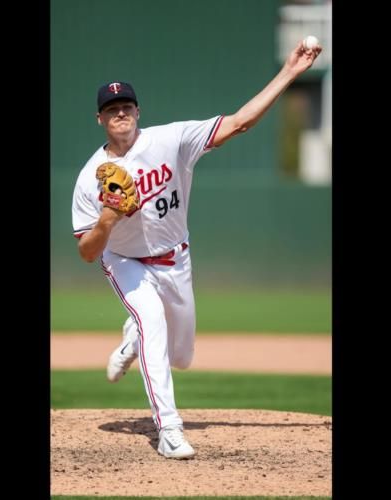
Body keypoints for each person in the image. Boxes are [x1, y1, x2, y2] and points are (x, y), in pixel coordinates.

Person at [71, 41, 322, 459]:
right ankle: (169, 430)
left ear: (138, 112)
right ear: (100, 118)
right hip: (125, 261)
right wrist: (108, 220)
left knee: (182, 356)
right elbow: (86, 252)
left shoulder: (172, 140)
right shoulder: (88, 180)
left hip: (176, 258)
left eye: (127, 106)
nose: (121, 113)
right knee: (152, 319)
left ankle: (132, 337)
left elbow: (240, 122)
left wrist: (291, 73)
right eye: (112, 108)